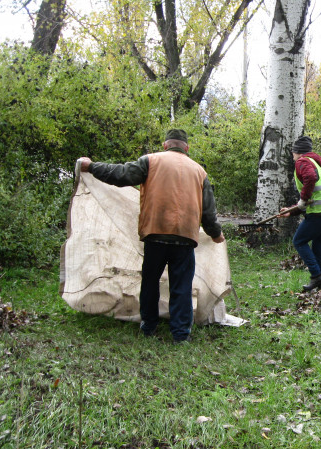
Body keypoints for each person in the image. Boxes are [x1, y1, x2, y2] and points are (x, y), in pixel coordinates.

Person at [78, 129, 225, 343]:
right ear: (187, 148)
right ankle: (181, 334)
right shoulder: (199, 171)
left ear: (165, 145)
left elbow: (119, 174)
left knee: (150, 281)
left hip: (154, 233)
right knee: (181, 285)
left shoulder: (150, 161)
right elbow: (208, 212)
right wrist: (215, 234)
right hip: (185, 237)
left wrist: (91, 167)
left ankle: (148, 326)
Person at [279, 136, 321, 291]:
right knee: (319, 249)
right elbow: (309, 199)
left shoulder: (302, 162)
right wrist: (291, 211)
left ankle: (317, 276)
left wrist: (302, 199)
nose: (292, 155)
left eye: (293, 152)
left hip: (320, 212)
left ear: (297, 152)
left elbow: (310, 181)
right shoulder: (315, 164)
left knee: (299, 241)